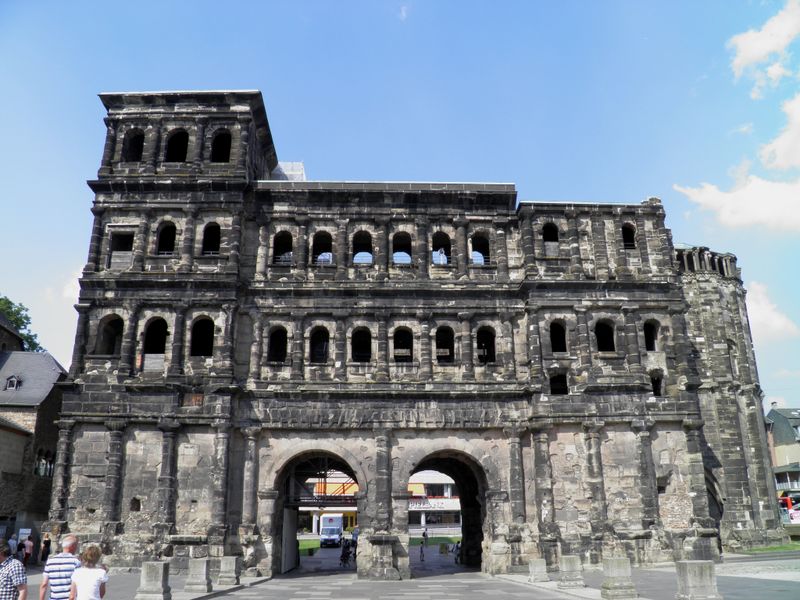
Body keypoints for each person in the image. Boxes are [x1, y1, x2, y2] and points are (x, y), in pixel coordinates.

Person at [39, 536, 80, 600]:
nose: (77, 548)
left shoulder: (50, 561)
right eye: (76, 545)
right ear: (72, 546)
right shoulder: (76, 562)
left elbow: (44, 584)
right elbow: (76, 584)